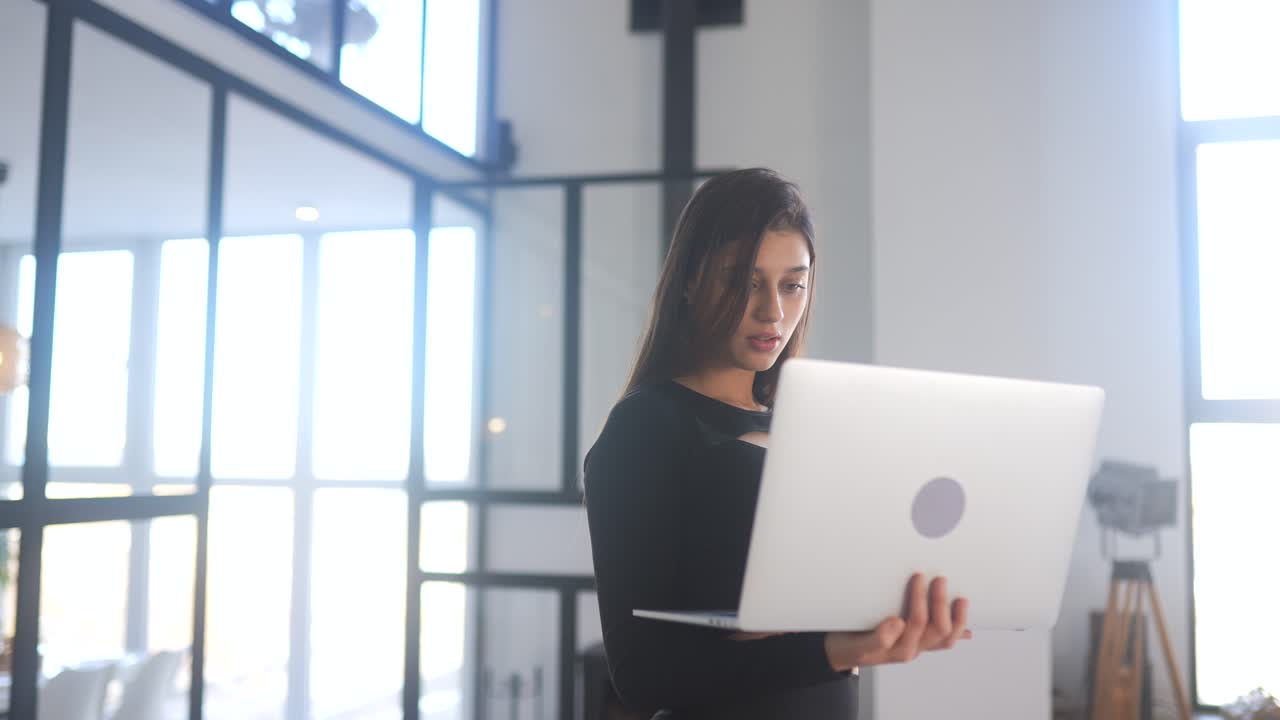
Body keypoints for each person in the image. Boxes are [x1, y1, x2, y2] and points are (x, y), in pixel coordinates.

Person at [582, 168, 973, 719]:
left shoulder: (812, 428)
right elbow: (642, 676)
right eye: (743, 281)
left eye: (793, 284)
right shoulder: (647, 428)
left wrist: (890, 618)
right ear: (691, 282)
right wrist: (833, 649)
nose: (773, 311)